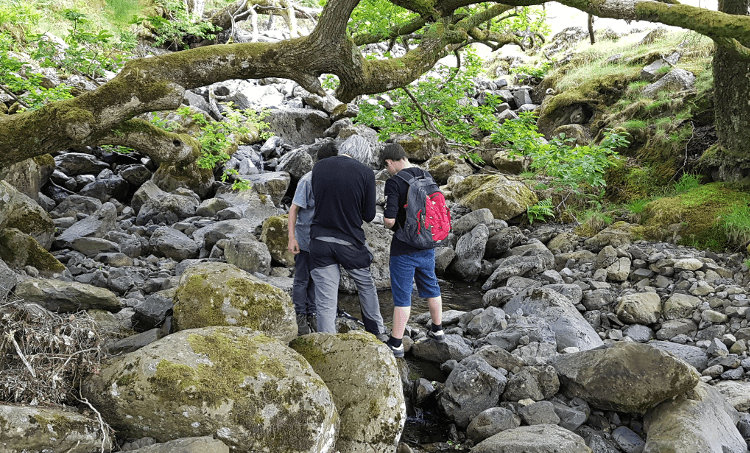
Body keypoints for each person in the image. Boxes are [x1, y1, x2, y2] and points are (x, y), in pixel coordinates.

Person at [309, 142, 387, 338]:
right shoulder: (366, 172)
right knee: (366, 285)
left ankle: (327, 342)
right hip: (349, 243)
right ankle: (377, 332)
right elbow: (369, 215)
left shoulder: (319, 166)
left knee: (326, 299)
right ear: (361, 155)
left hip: (319, 240)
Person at [380, 142, 445, 358]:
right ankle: (438, 329)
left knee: (402, 296)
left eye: (387, 166)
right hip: (427, 243)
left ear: (390, 162)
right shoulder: (426, 175)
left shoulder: (394, 182)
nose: (388, 170)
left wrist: (387, 223)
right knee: (432, 286)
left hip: (404, 248)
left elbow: (389, 220)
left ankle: (396, 342)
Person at [287, 142, 338, 335]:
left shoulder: (334, 180)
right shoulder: (308, 180)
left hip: (324, 241)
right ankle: (300, 314)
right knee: (302, 279)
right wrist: (292, 238)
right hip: (305, 237)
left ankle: (313, 313)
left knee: (317, 279)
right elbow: (294, 209)